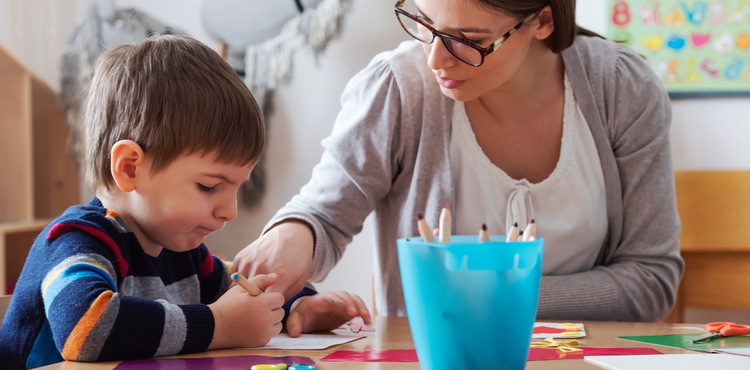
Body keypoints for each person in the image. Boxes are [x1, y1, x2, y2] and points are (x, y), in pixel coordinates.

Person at [233, 0, 684, 322]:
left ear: (543, 20)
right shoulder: (399, 87)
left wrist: (489, 295)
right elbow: (323, 216)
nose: (434, 58)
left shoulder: (622, 88)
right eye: (424, 22)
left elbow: (651, 280)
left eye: (469, 40)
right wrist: (295, 233)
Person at [0, 34, 370, 370]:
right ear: (130, 168)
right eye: (210, 185)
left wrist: (298, 307)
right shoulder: (76, 240)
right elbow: (86, 328)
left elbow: (244, 290)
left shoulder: (183, 253)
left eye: (237, 187)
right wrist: (220, 325)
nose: (230, 210)